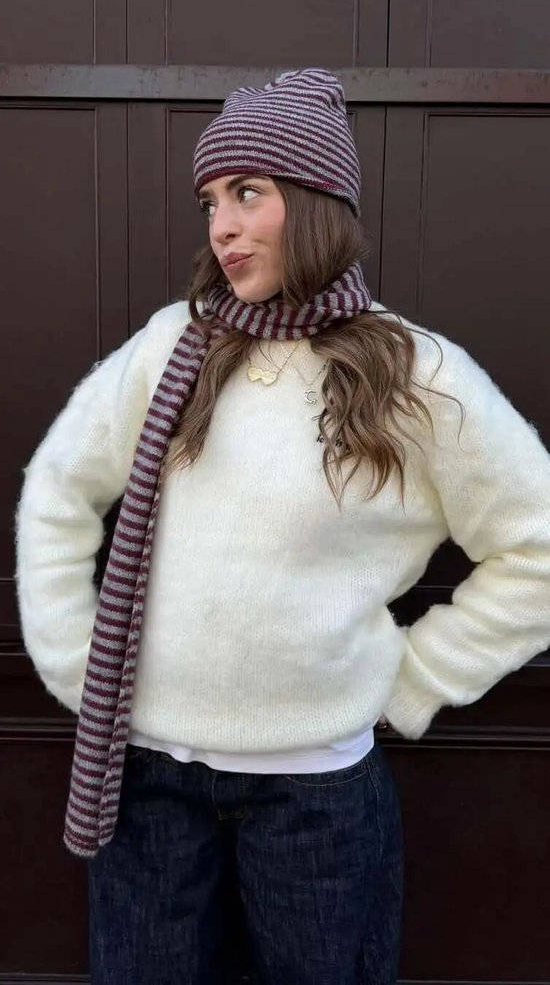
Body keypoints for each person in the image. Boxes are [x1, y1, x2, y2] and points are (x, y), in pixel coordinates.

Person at [15, 68, 550, 985]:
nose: (221, 225)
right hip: (148, 782)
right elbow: (58, 490)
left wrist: (416, 678)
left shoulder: (415, 373)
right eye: (211, 201)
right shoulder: (174, 346)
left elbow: (537, 542)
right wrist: (73, 658)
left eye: (248, 192)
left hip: (318, 799)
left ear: (316, 202)